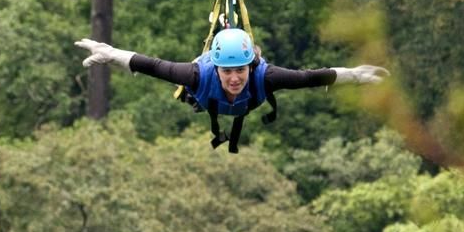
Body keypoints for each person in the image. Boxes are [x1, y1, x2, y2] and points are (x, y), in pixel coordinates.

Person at [75, 27, 386, 152]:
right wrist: (110, 53)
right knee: (184, 85)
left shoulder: (265, 77)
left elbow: (310, 77)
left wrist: (355, 76)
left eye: (240, 70)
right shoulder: (197, 75)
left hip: (243, 102)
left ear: (249, 66)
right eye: (228, 71)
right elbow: (153, 65)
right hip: (204, 97)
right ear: (218, 69)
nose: (235, 78)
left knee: (285, 81)